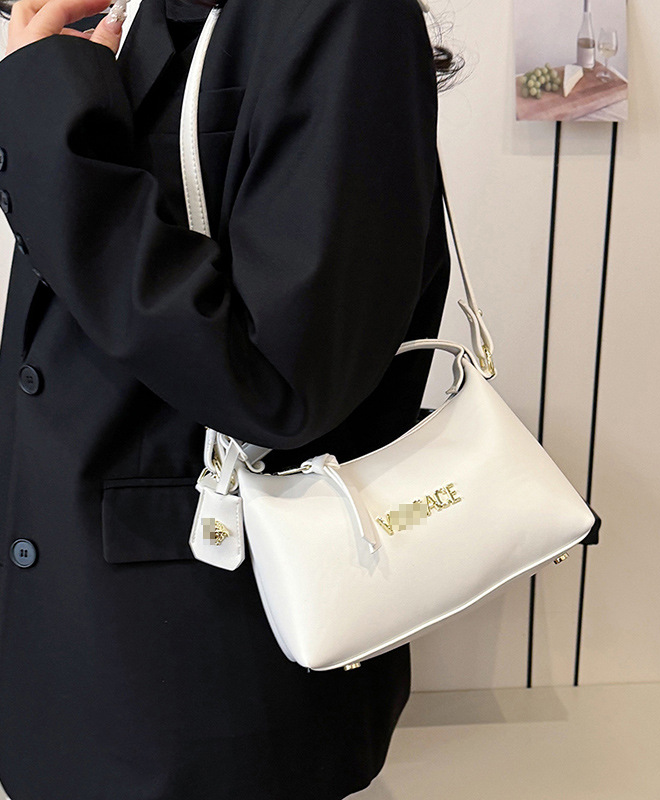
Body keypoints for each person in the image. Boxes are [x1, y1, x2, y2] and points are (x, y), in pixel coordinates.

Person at [0, 0, 462, 797]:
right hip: (86, 646)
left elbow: (278, 385)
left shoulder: (340, 18)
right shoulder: (147, 14)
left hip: (204, 690)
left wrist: (45, 112)